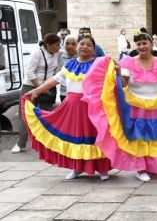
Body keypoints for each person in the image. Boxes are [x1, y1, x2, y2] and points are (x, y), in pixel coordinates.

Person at [81, 32, 157, 182]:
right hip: (136, 107)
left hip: (155, 106)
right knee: (139, 137)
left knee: (155, 135)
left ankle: (152, 166)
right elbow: (123, 84)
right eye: (138, 44)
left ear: (152, 44)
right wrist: (116, 73)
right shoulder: (129, 62)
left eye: (144, 43)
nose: (141, 46)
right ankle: (141, 169)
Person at [19, 34, 111, 180]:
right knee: (75, 137)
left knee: (95, 136)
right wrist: (36, 91)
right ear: (76, 47)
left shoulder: (99, 64)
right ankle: (77, 168)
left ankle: (102, 168)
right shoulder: (70, 64)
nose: (84, 47)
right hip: (72, 106)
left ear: (94, 49)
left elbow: (111, 82)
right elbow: (55, 80)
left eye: (88, 45)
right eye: (81, 44)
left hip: (92, 106)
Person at [12, 33, 62, 154]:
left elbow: (57, 71)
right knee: (26, 115)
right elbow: (29, 72)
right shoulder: (37, 53)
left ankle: (49, 144)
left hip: (47, 88)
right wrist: (39, 88)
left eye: (59, 45)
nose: (59, 47)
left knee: (48, 115)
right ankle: (20, 144)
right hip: (31, 86)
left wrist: (47, 87)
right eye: (56, 45)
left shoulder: (58, 54)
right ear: (48, 45)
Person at [59, 35, 78, 102]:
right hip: (64, 92)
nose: (70, 46)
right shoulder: (59, 56)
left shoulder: (80, 58)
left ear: (77, 45)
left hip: (77, 93)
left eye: (73, 44)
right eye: (67, 43)